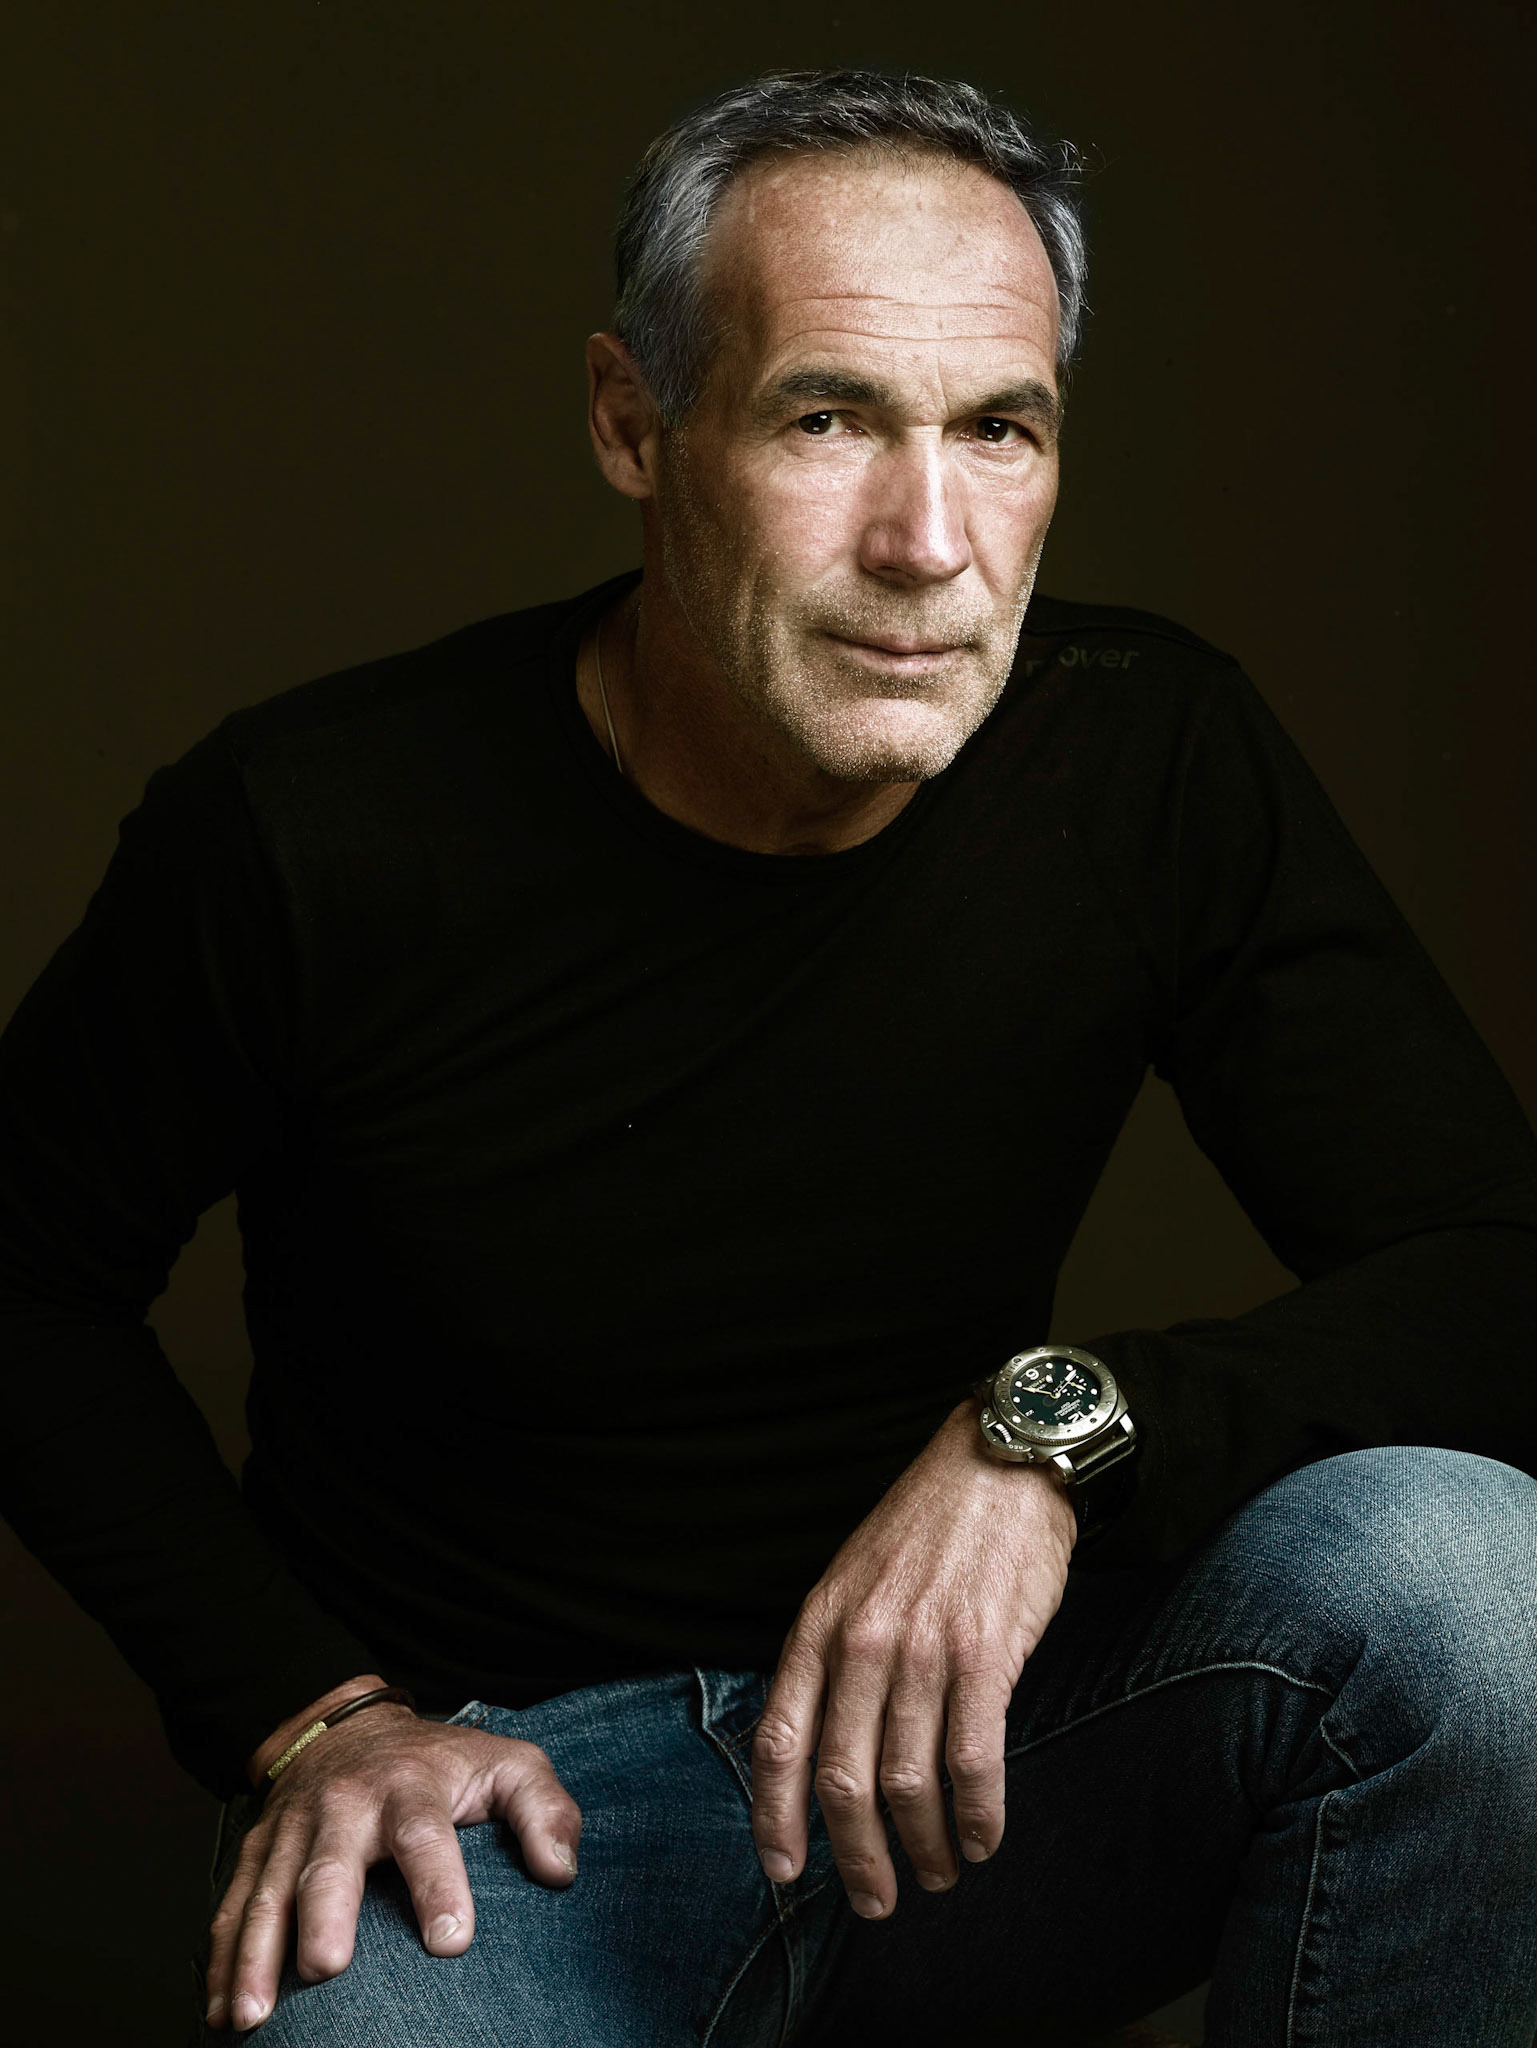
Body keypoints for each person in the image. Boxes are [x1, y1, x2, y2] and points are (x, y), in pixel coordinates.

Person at [1, 67, 1533, 2048]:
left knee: (1476, 1582)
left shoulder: (1143, 758)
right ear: (632, 424)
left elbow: (1491, 1268)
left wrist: (1050, 1437)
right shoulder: (314, 827)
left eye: (997, 430)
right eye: (828, 420)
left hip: (981, 1762)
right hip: (499, 1813)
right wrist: (312, 1716)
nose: (927, 542)